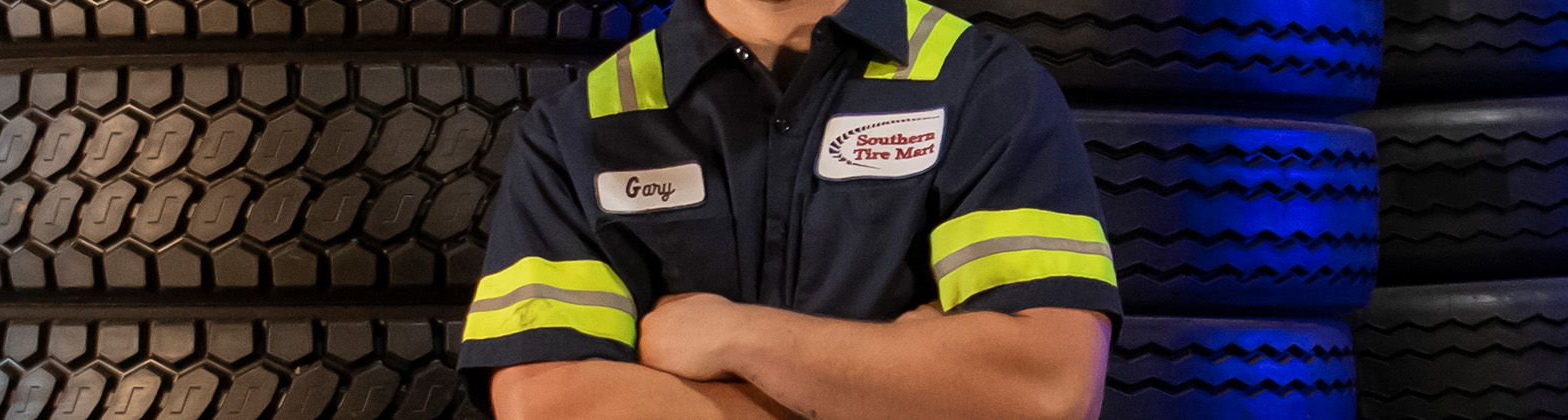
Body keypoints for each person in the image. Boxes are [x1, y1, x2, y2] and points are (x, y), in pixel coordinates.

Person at [456, 0, 1123, 417]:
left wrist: (734, 337)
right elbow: (546, 404)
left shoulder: (983, 86)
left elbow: (1045, 392)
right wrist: (900, 384)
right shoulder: (579, 126)